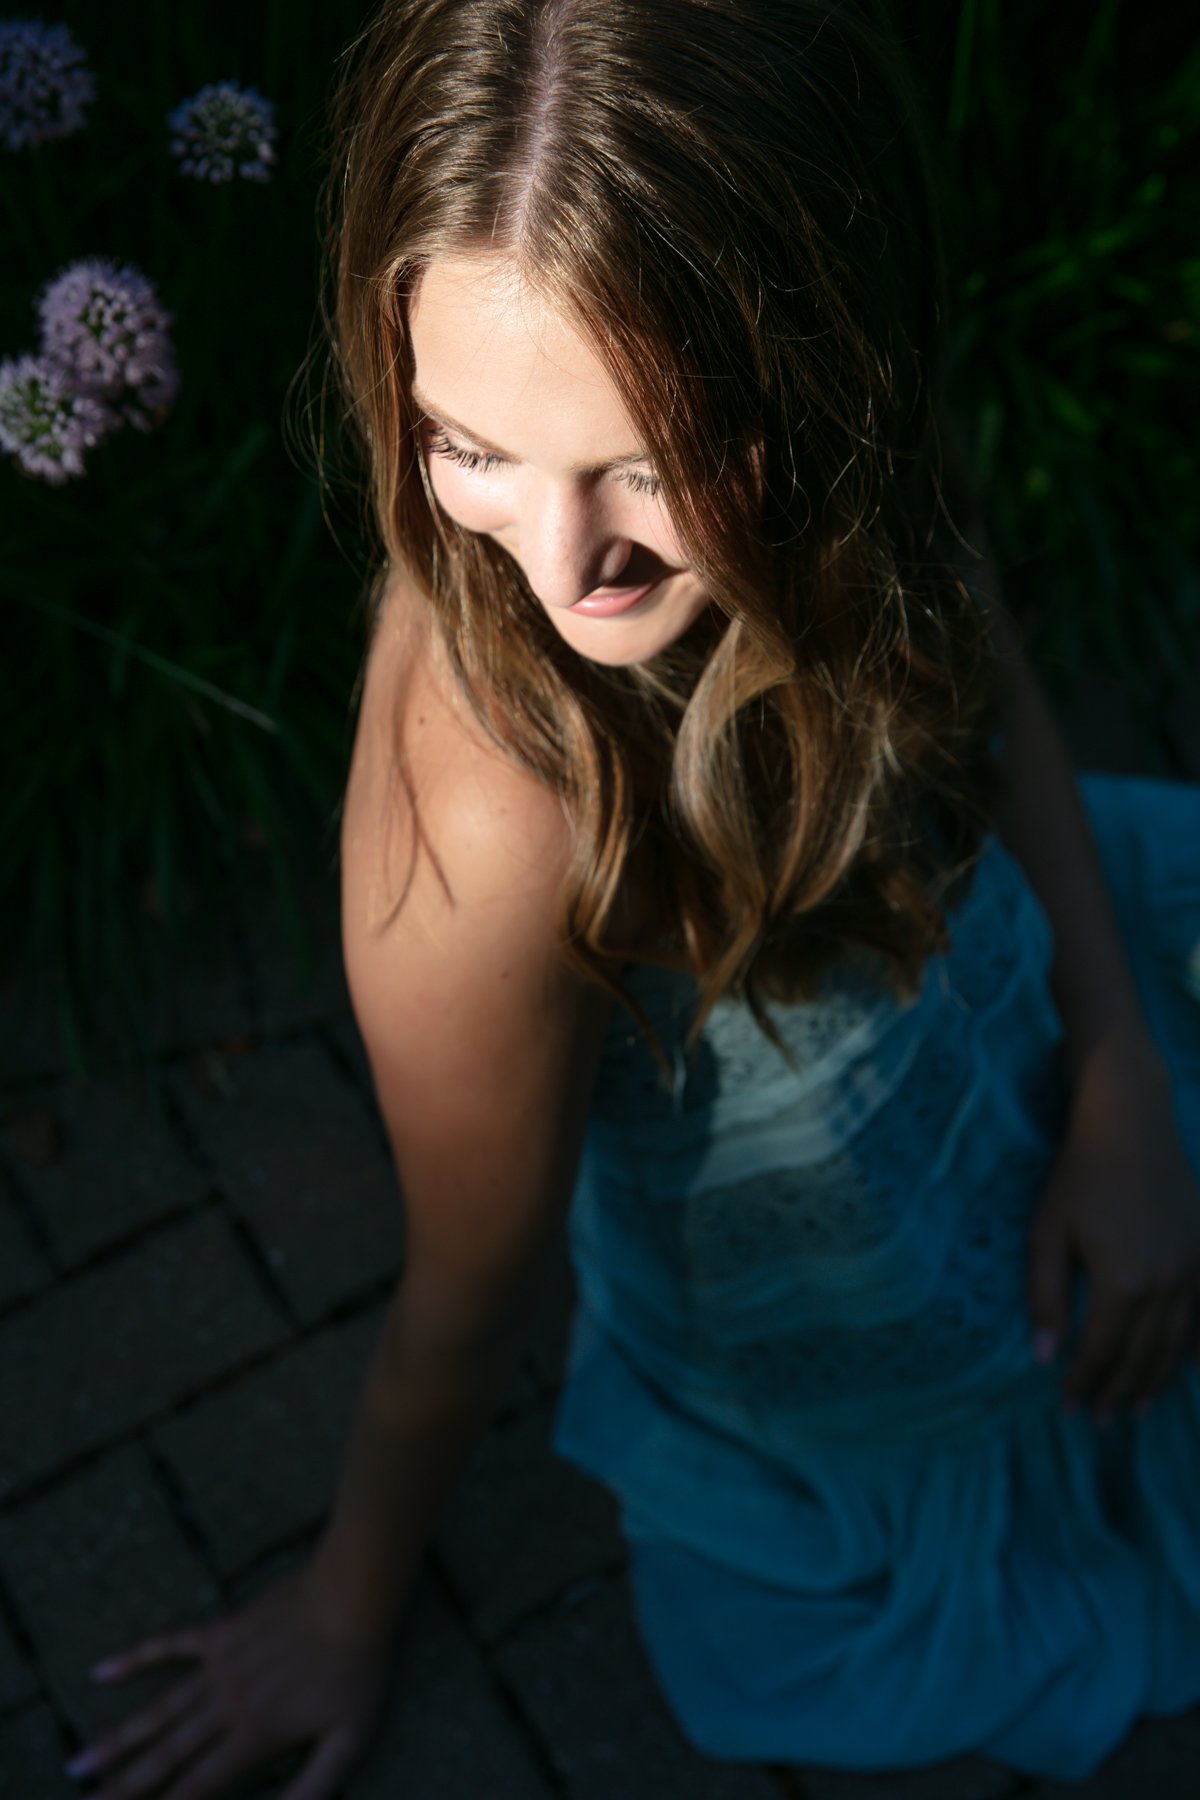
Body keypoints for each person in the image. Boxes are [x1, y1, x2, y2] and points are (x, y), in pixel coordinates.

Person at [67, 1, 1200, 1795]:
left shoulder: (848, 453)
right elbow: (462, 1300)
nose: (556, 560)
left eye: (650, 463)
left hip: (1018, 1003)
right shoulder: (501, 829)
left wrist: (1123, 1056)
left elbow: (964, 641)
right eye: (470, 444)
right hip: (846, 1275)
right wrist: (345, 1611)